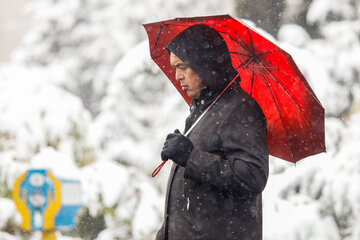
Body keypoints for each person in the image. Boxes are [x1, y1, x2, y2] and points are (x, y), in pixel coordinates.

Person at [155, 24, 269, 240]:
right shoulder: (203, 109)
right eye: (174, 67)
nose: (178, 76)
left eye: (183, 67)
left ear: (204, 64)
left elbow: (254, 176)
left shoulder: (240, 108)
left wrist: (191, 157)